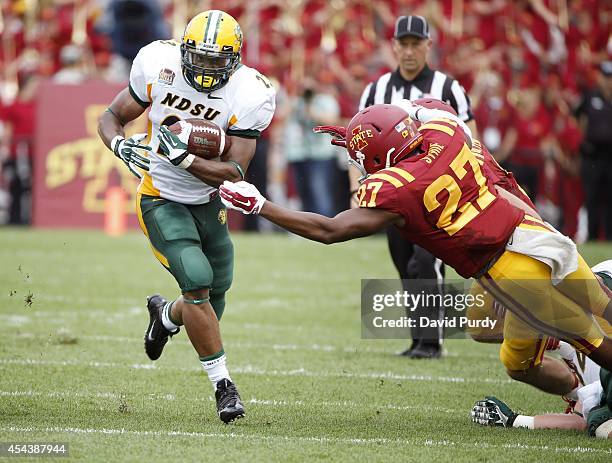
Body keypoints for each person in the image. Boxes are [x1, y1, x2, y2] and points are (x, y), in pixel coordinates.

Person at [219, 102, 612, 380]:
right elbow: (426, 107)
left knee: (587, 335)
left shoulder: (396, 188)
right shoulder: (447, 131)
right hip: (533, 230)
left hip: (508, 267)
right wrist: (371, 129)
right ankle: (566, 356)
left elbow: (331, 230)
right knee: (599, 304)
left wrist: (262, 206)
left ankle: (579, 381)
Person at [97, 10, 276, 423]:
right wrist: (120, 146)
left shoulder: (250, 91)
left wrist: (188, 157)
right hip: (160, 195)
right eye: (202, 58)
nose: (209, 70)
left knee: (215, 294)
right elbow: (111, 117)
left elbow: (235, 170)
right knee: (196, 281)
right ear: (184, 50)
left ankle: (165, 316)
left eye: (219, 61)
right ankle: (223, 387)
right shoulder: (158, 64)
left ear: (235, 60)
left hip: (209, 199)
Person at [355, 15, 478, 359]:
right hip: (394, 192)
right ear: (393, 46)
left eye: (415, 44)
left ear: (428, 45)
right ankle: (418, 339)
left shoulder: (448, 88)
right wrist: (358, 189)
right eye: (403, 44)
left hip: (434, 192)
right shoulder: (376, 90)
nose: (409, 52)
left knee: (426, 262)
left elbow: (472, 137)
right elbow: (358, 143)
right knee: (403, 261)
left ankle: (432, 342)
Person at [575, 61, 612, 241]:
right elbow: (577, 117)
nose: (608, 81)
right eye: (606, 77)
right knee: (592, 197)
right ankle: (592, 236)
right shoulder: (590, 97)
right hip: (592, 155)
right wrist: (582, 140)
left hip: (610, 156)